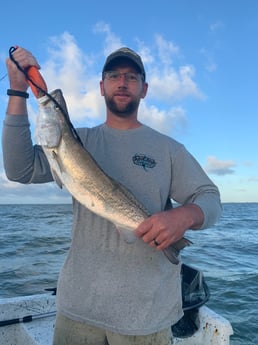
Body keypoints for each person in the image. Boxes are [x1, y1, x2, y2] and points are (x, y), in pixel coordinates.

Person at [2, 46, 222, 345]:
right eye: (114, 75)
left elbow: (209, 197)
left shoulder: (169, 150)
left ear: (144, 90)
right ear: (101, 86)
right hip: (77, 308)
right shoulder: (78, 142)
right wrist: (17, 91)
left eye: (131, 76)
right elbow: (19, 169)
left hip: (146, 316)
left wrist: (185, 215)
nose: (122, 81)